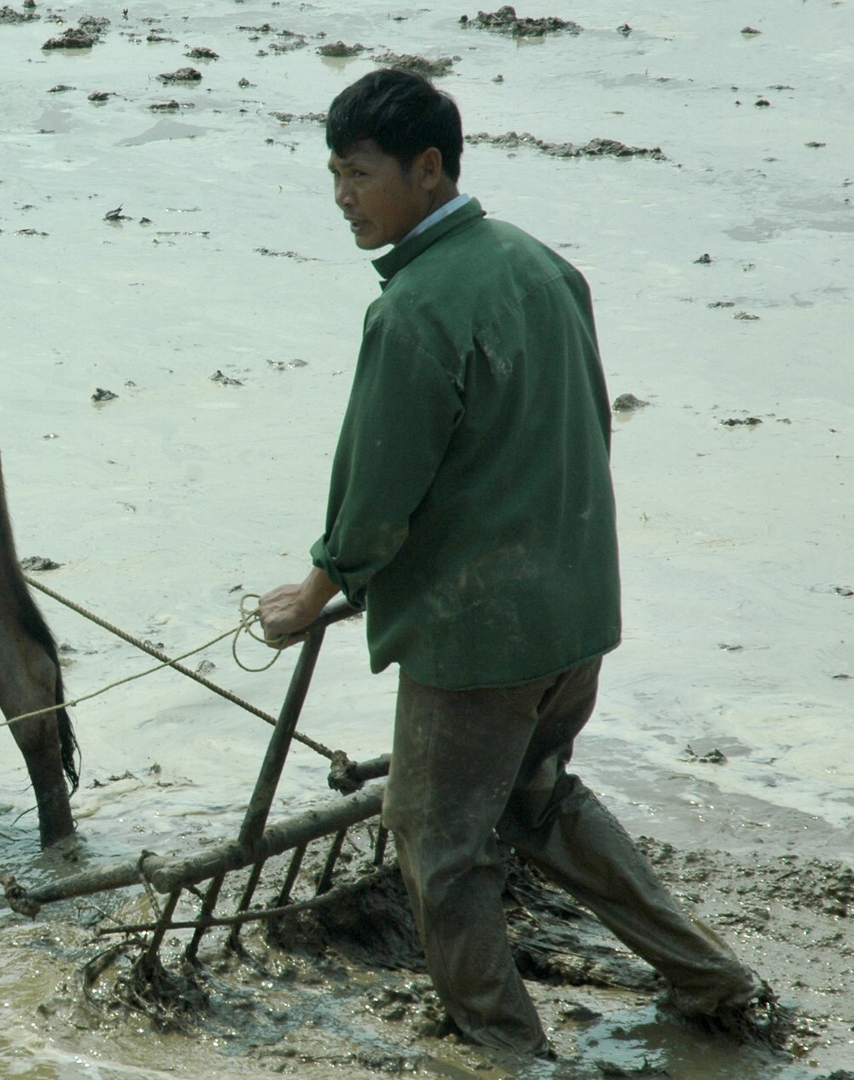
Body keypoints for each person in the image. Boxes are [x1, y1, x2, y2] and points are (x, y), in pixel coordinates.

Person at [256, 68, 774, 1057]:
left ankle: (503, 1051)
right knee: (538, 802)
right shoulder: (545, 269)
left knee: (439, 847)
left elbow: (377, 491)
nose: (342, 197)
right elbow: (583, 435)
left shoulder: (411, 312)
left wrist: (318, 587)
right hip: (574, 614)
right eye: (333, 174)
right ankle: (710, 976)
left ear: (430, 168)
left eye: (360, 173)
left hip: (479, 638)